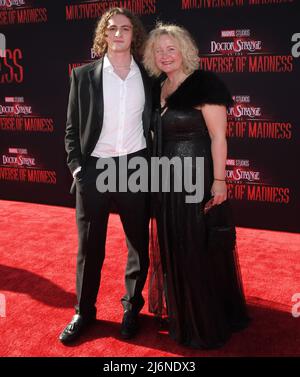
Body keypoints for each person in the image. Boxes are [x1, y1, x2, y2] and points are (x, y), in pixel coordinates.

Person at [143, 23, 250, 349]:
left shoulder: (205, 84)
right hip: (166, 180)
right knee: (174, 243)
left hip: (196, 178)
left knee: (195, 245)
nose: (165, 55)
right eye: (158, 51)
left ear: (184, 50)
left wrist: (220, 182)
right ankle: (185, 310)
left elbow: (219, 137)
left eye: (170, 49)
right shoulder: (159, 87)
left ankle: (205, 320)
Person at [60, 8, 152, 344]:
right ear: (104, 34)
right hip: (94, 169)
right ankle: (84, 311)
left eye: (124, 29)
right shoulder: (83, 76)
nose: (117, 34)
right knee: (89, 247)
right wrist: (78, 168)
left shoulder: (149, 76)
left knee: (137, 245)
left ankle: (132, 309)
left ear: (134, 35)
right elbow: (71, 129)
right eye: (111, 29)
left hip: (135, 168)